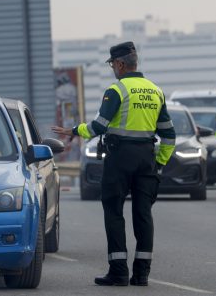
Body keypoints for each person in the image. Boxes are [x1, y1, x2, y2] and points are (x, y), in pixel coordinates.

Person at [52, 41, 175, 287]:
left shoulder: (117, 90)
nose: (112, 69)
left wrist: (73, 130)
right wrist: (158, 161)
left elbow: (98, 126)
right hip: (147, 158)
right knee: (143, 215)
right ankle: (142, 274)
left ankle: (118, 272)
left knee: (114, 212)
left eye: (112, 64)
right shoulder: (155, 91)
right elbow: (169, 135)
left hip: (120, 158)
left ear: (120, 64)